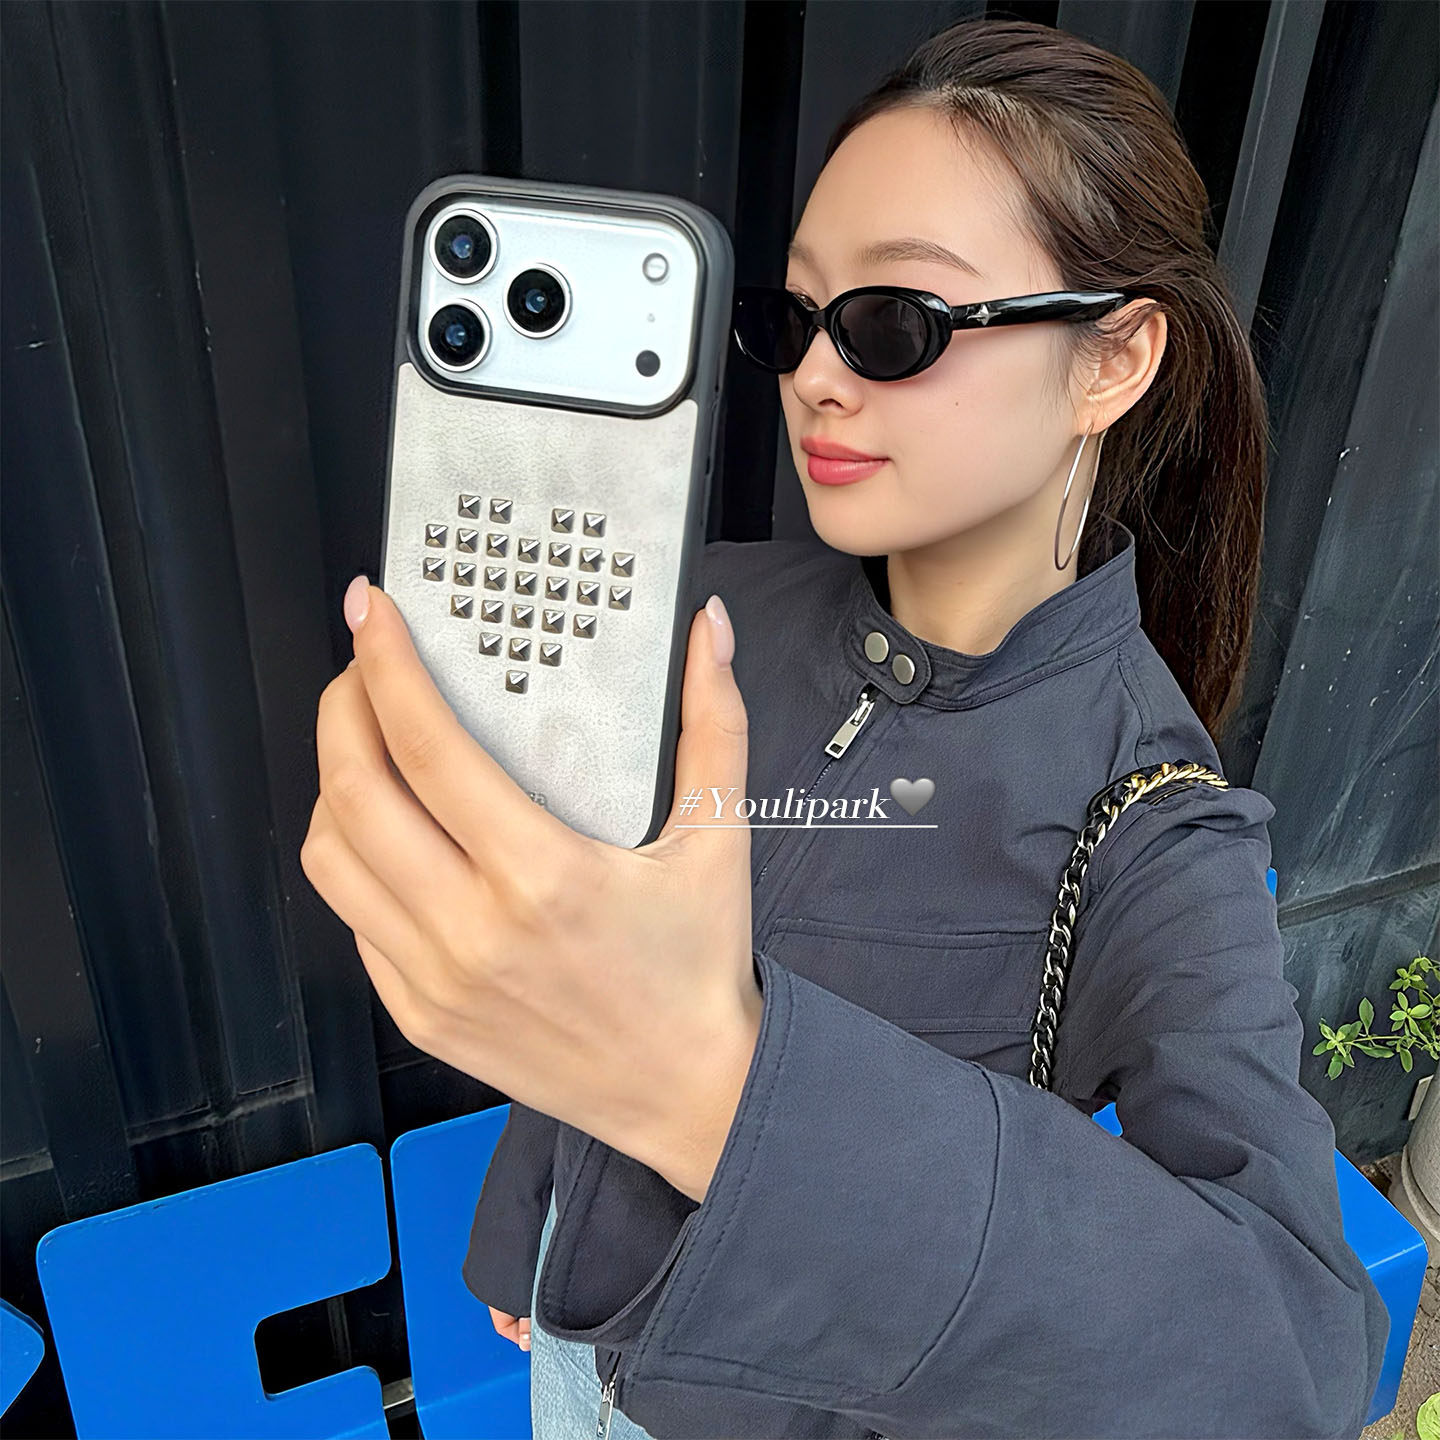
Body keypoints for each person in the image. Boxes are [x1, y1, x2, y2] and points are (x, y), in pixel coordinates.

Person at [307, 16, 1390, 1439]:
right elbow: (598, 977)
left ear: (1114, 360)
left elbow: (1286, 1357)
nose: (816, 373)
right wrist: (531, 1229)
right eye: (794, 318)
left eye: (894, 324)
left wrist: (713, 1085)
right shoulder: (712, 610)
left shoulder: (1152, 821)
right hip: (575, 1345)